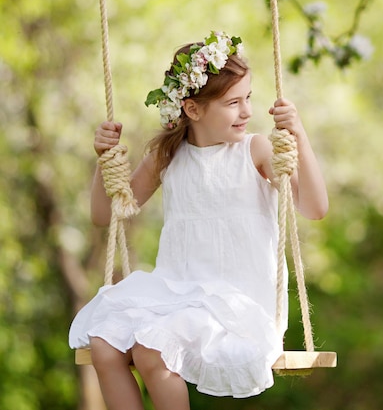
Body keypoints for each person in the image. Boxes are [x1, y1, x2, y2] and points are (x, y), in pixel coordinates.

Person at [69, 31, 328, 410]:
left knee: (150, 351)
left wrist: (298, 136)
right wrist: (104, 162)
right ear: (192, 109)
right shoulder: (167, 157)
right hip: (177, 295)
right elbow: (104, 215)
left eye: (248, 99)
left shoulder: (253, 151)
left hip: (235, 305)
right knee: (104, 343)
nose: (247, 112)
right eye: (233, 103)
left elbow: (315, 207)